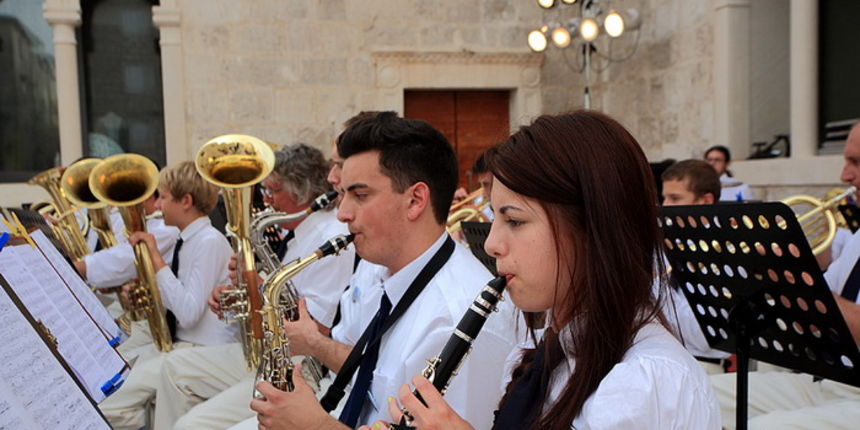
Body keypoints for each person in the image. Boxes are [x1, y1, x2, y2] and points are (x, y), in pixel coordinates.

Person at [365, 111, 720, 430]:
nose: (491, 245)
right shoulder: (538, 351)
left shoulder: (645, 384)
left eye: (514, 221)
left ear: (590, 229)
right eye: (496, 217)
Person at [245, 111, 518, 430]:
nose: (343, 214)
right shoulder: (379, 268)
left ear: (416, 200)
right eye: (344, 194)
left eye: (360, 195)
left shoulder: (459, 316)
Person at [155, 143, 355, 429]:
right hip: (271, 353)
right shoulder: (299, 234)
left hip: (299, 367)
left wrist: (256, 285)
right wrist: (241, 294)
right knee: (173, 370)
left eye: (273, 191)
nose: (267, 200)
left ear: (300, 190)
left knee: (190, 424)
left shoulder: (329, 238)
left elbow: (316, 328)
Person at [709, 123, 860, 430]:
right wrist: (775, 276)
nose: (845, 176)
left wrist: (798, 282)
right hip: (833, 381)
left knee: (767, 427)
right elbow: (819, 321)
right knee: (696, 393)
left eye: (856, 163)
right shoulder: (858, 238)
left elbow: (828, 305)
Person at [98, 161, 235, 430]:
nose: (157, 205)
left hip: (202, 347)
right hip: (182, 343)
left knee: (109, 405)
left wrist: (156, 260)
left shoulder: (210, 241)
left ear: (185, 201)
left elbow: (188, 313)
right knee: (111, 379)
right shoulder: (189, 239)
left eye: (162, 197)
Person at [660, 159, 731, 374]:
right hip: (659, 361)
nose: (665, 207)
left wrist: (656, 286)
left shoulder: (726, 251)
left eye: (675, 199)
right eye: (664, 198)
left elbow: (705, 339)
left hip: (702, 367)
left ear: (706, 201)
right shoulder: (662, 245)